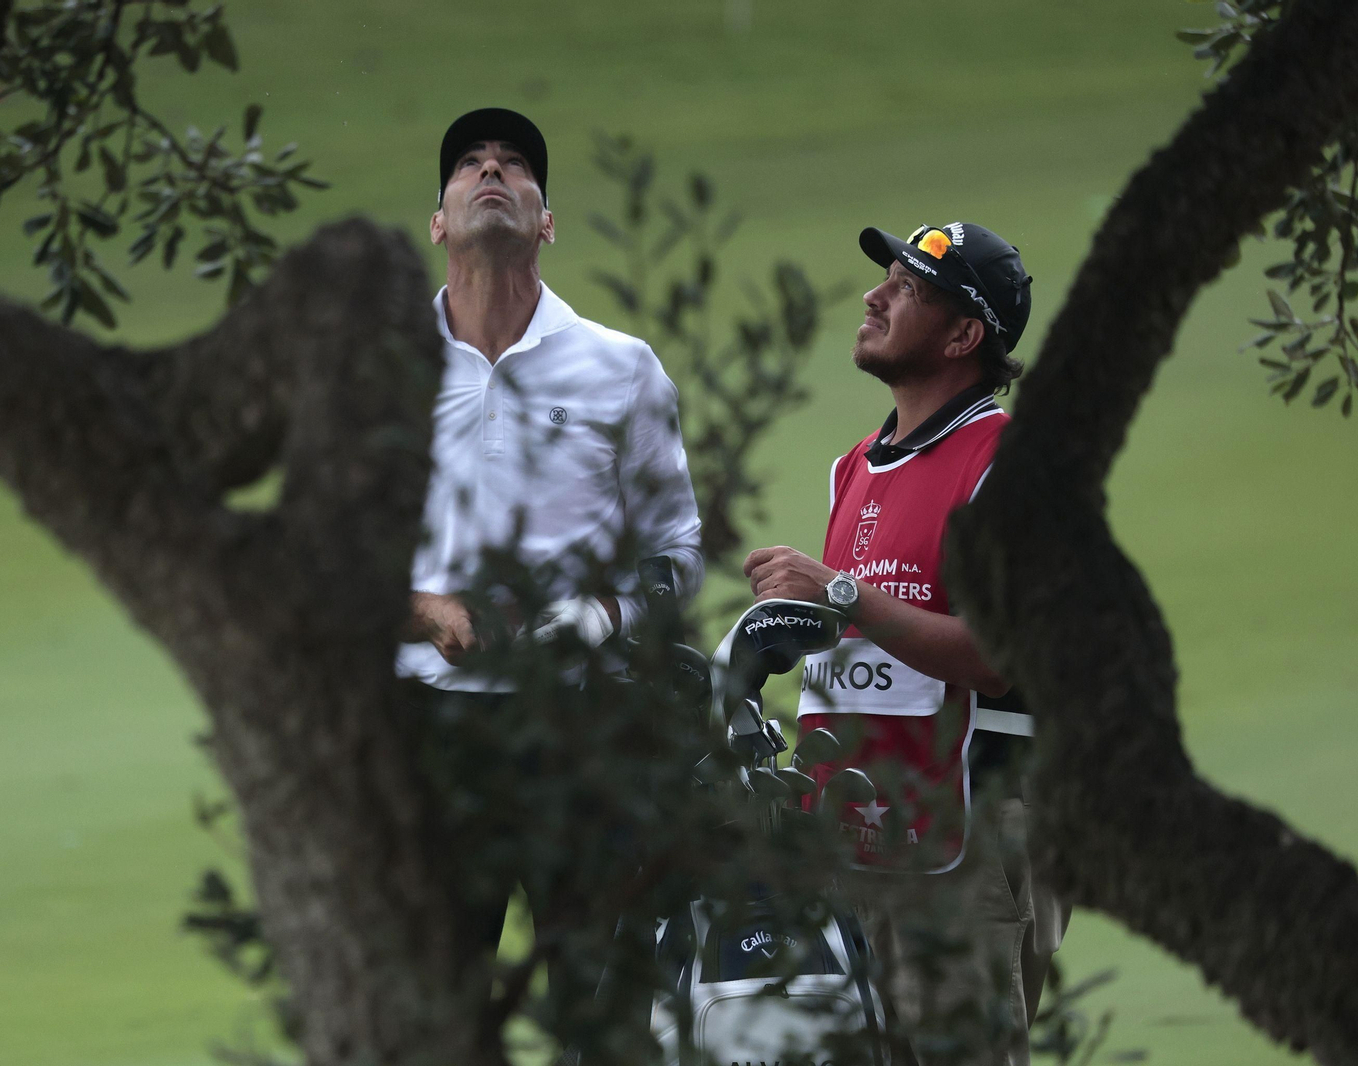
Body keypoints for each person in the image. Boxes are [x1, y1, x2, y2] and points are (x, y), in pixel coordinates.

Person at [395, 106, 704, 1024]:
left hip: (587, 729)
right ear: (441, 219)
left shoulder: (620, 368)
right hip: (430, 730)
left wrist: (593, 619)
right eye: (470, 165)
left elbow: (679, 554)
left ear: (547, 218)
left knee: (601, 1008)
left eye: (517, 164)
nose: (493, 171)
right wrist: (425, 610)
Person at [743, 222, 1065, 1065]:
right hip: (855, 845)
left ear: (964, 336)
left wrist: (840, 594)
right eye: (885, 277)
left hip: (964, 849)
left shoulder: (1009, 462)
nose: (874, 296)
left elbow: (997, 654)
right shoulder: (856, 467)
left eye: (910, 288)